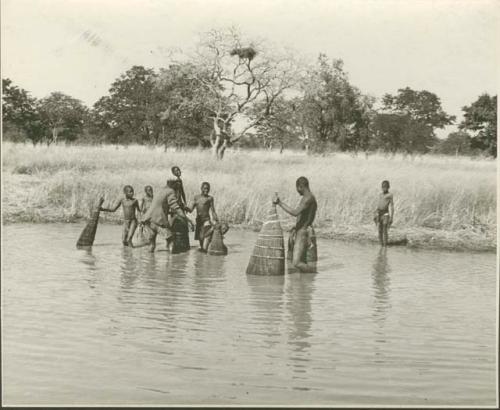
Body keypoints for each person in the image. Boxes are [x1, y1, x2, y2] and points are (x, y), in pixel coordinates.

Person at [274, 176, 317, 273]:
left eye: (297, 188)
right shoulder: (309, 197)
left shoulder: (308, 198)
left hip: (303, 232)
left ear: (300, 187)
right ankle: (306, 284)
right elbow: (303, 217)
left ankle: (313, 274)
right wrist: (295, 227)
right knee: (301, 262)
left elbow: (295, 212)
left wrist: (280, 203)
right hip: (301, 230)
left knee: (296, 263)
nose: (297, 191)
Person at [140, 179, 188, 253]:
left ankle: (149, 262)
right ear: (173, 185)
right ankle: (172, 261)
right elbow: (174, 206)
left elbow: (160, 206)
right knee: (170, 239)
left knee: (152, 244)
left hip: (148, 219)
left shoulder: (160, 190)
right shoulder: (170, 191)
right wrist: (186, 218)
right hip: (158, 220)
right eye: (177, 186)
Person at [185, 182, 219, 251]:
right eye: (205, 188)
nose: (206, 190)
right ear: (201, 189)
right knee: (201, 240)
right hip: (199, 221)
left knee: (205, 240)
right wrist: (184, 207)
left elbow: (213, 211)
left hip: (206, 220)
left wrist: (216, 220)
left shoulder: (210, 198)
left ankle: (206, 249)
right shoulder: (196, 197)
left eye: (208, 189)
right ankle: (203, 256)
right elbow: (191, 209)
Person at [374, 180, 394, 246]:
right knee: (380, 229)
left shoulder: (390, 195)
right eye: (383, 187)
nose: (384, 188)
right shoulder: (380, 194)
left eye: (385, 187)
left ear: (388, 187)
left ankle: (385, 245)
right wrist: (375, 213)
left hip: (385, 214)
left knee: (385, 229)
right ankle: (381, 245)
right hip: (379, 213)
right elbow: (378, 205)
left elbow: (392, 206)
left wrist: (391, 217)